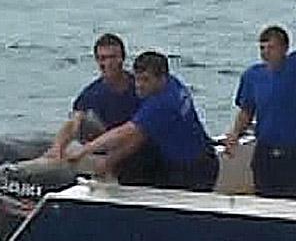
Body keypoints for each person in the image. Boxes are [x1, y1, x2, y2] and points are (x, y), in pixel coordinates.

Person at [220, 0, 296, 200]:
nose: (265, 52)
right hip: (265, 152)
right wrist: (234, 135)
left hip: (295, 152)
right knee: (266, 200)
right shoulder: (252, 76)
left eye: (271, 47)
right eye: (262, 47)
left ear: (284, 48)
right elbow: (246, 111)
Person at [74, 50, 219, 191]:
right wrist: (109, 161)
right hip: (199, 158)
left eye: (145, 80)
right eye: (137, 79)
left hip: (194, 171)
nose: (138, 85)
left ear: (161, 78)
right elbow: (139, 136)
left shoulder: (163, 104)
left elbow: (123, 133)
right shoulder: (173, 84)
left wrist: (84, 151)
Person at [43, 33, 140, 160]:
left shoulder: (140, 86)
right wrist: (58, 147)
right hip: (110, 145)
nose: (107, 63)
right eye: (102, 58)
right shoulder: (91, 94)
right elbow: (74, 123)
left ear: (122, 58)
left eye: (112, 57)